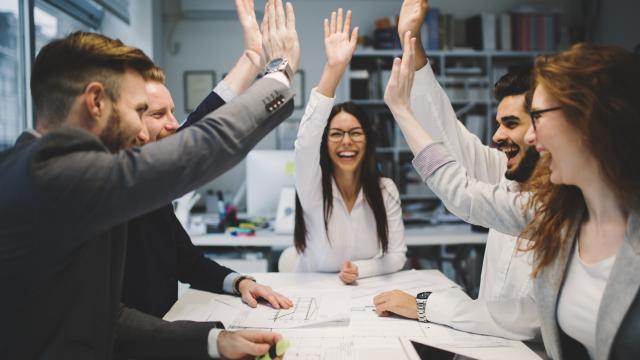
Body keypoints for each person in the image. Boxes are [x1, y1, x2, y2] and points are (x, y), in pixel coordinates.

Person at [0, 0, 300, 358]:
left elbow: (105, 317)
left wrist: (214, 342)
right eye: (140, 111)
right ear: (96, 102)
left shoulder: (54, 174)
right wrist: (278, 73)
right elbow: (204, 144)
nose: (144, 134)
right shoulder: (52, 176)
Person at [382, 33, 640, 360]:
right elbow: (455, 172)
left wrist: (403, 110)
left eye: (539, 117)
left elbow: (460, 191)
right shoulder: (558, 213)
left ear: (587, 121)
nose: (532, 135)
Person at [373, 0, 539, 341]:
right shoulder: (507, 174)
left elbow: (526, 321)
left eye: (511, 123)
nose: (496, 136)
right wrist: (411, 38)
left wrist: (424, 306)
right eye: (498, 123)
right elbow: (447, 131)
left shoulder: (563, 203)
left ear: (543, 128)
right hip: (481, 345)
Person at [123, 0, 292, 319]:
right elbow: (201, 133)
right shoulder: (124, 191)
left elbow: (186, 262)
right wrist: (278, 71)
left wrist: (239, 281)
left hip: (161, 333)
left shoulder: (151, 188)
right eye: (160, 114)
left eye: (172, 111)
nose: (175, 123)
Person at [293, 8, 407, 284]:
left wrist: (360, 270)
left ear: (368, 140)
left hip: (361, 292)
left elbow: (397, 255)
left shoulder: (385, 189)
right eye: (336, 134)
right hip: (312, 294)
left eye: (355, 133)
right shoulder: (312, 185)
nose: (347, 142)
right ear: (326, 141)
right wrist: (334, 68)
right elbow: (306, 141)